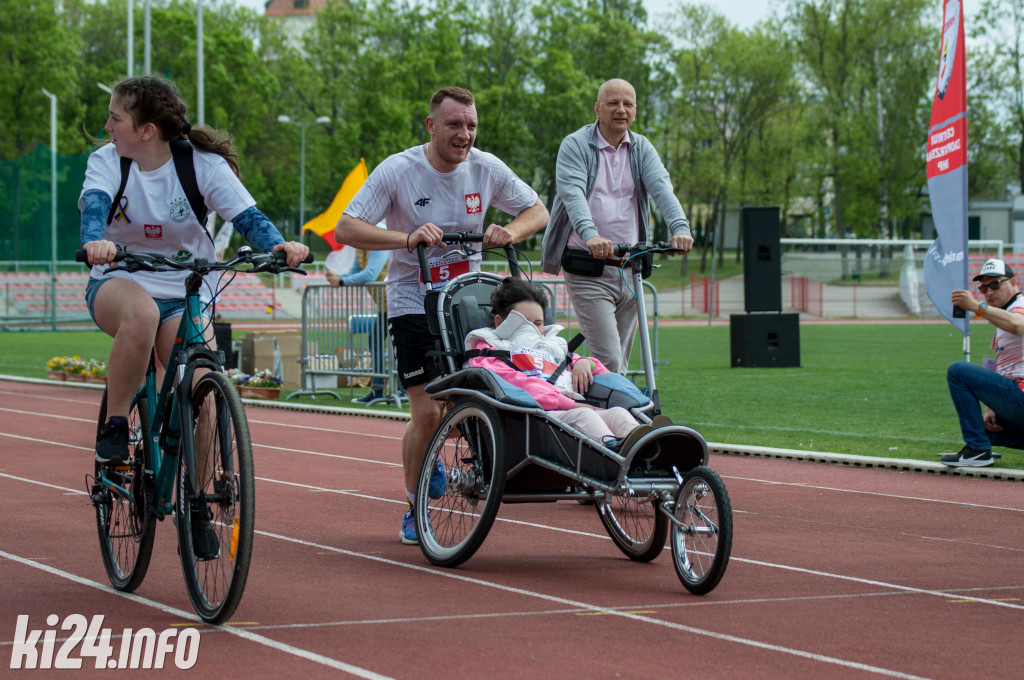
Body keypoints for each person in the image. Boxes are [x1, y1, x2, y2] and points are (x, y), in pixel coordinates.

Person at [335, 86, 549, 544]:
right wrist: (407, 238)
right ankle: (416, 506)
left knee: (477, 399)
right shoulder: (398, 170)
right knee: (429, 413)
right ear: (431, 126)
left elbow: (539, 210)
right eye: (454, 124)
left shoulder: (486, 168)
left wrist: (508, 230)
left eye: (471, 125)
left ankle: (466, 466)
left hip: (464, 300)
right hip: (413, 298)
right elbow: (347, 227)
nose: (464, 134)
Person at [79, 75, 309, 471]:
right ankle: (115, 426)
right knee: (142, 315)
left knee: (203, 388)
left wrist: (279, 246)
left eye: (115, 118)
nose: (107, 127)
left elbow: (248, 218)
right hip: (119, 282)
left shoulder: (202, 166)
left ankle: (201, 509)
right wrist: (94, 242)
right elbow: (96, 205)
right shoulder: (106, 161)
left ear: (146, 131)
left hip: (182, 289)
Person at [541, 78, 694, 375]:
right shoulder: (575, 145)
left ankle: (602, 415)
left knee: (618, 366)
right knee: (609, 360)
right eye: (613, 103)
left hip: (631, 268)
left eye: (628, 104)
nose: (621, 110)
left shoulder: (642, 149)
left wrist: (680, 228)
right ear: (597, 109)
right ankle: (605, 417)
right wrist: (592, 235)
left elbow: (662, 190)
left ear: (635, 111)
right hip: (589, 266)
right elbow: (573, 196)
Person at [465, 277, 663, 449]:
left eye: (538, 323)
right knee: (585, 415)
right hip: (533, 417)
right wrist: (570, 404)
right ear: (500, 322)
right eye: (524, 322)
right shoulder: (488, 353)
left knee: (618, 413)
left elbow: (590, 367)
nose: (532, 329)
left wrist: (585, 363)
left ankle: (649, 447)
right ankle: (616, 453)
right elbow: (519, 385)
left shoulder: (549, 347)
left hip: (570, 410)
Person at [943, 258, 1024, 467]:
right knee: (984, 427)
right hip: (1016, 397)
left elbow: (1017, 325)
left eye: (995, 284)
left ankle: (978, 451)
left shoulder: (1020, 305)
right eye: (984, 287)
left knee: (958, 371)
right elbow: (1003, 367)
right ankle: (980, 446)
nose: (988, 292)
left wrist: (977, 307)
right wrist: (990, 406)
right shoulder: (1005, 313)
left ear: (1014, 283)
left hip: (1020, 396)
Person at [325, 237, 391, 404]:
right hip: (385, 305)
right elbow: (355, 271)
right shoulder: (361, 246)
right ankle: (379, 390)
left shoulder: (377, 243)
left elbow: (371, 273)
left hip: (396, 302)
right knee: (375, 341)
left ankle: (399, 390)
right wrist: (338, 278)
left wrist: (341, 281)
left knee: (395, 345)